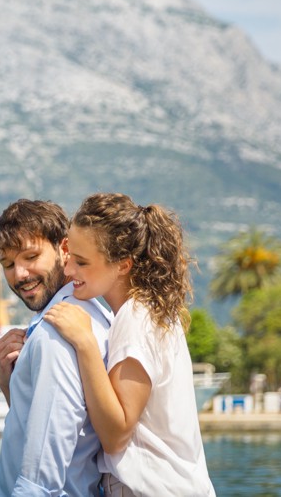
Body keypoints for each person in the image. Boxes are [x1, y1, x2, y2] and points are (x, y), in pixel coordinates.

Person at [44, 192, 215, 496]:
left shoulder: (134, 319)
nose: (69, 271)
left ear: (123, 265)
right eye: (70, 258)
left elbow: (115, 434)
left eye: (82, 262)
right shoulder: (150, 312)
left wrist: (85, 344)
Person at [0, 198, 113, 497]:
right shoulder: (85, 313)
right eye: (8, 264)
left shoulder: (55, 333)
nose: (19, 274)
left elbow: (43, 472)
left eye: (30, 257)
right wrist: (11, 386)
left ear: (64, 249)